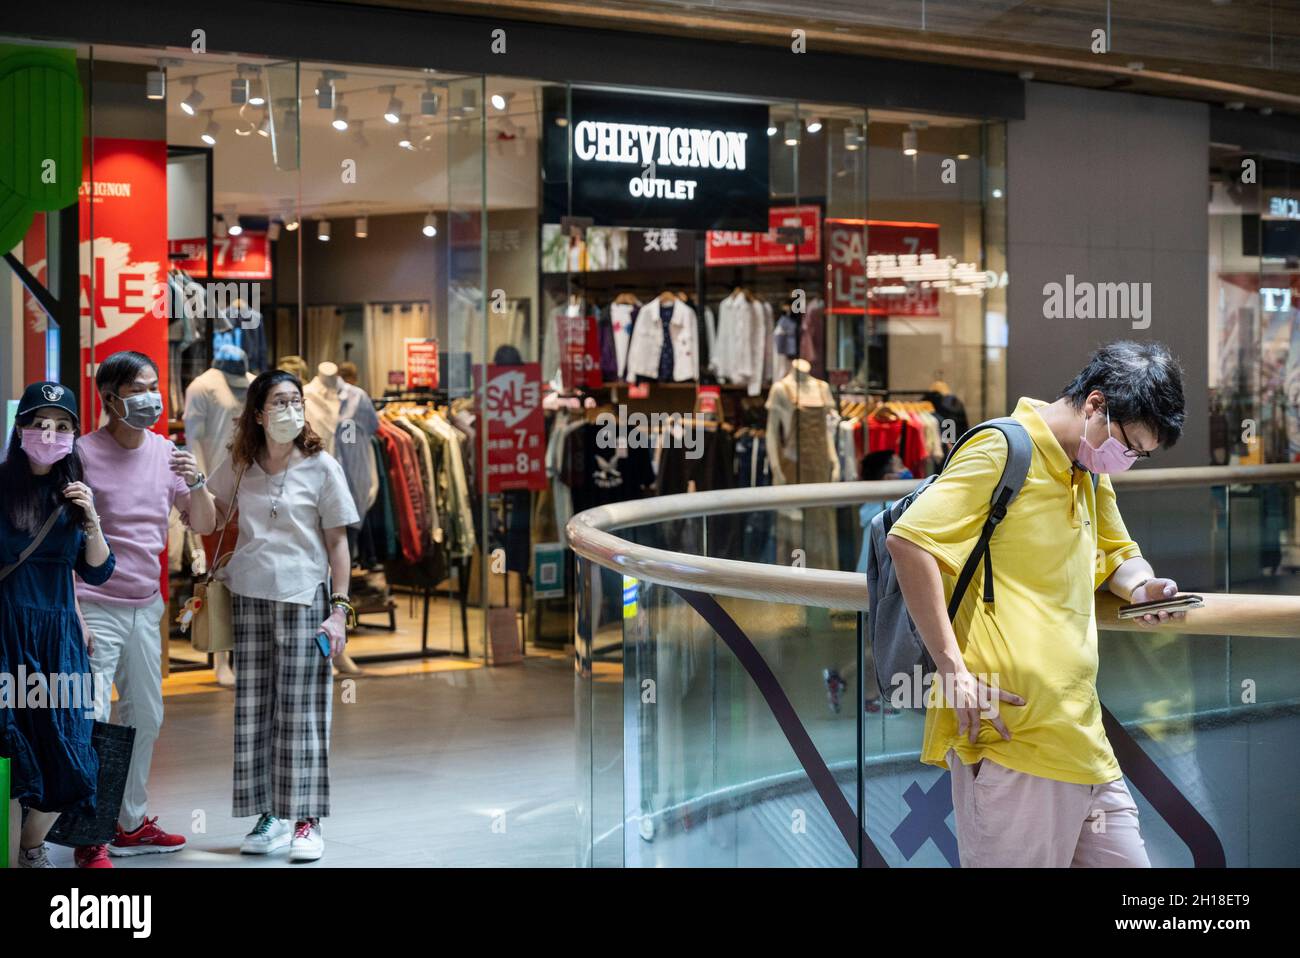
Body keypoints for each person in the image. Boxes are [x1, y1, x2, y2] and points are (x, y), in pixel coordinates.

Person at [886, 341, 1187, 867]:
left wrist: (1144, 587)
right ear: (1096, 405)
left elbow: (1118, 554)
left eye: (1141, 454)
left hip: (1080, 733)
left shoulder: (1089, 472)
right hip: (1010, 736)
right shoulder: (1003, 452)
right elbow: (909, 542)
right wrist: (952, 669)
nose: (1129, 462)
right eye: (1129, 445)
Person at [194, 370, 358, 862]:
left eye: (296, 400)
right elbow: (214, 513)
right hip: (248, 596)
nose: (290, 410)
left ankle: (306, 819)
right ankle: (270, 815)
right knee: (254, 713)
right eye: (279, 402)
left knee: (303, 713)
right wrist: (191, 484)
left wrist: (340, 610)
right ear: (258, 414)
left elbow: (338, 543)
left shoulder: (322, 465)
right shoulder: (242, 462)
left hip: (305, 599)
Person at [75, 351, 217, 860]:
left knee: (145, 718)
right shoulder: (82, 454)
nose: (150, 397)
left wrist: (196, 480)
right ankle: (88, 835)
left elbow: (203, 522)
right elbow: (62, 538)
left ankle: (129, 822)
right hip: (92, 604)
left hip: (145, 605)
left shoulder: (166, 452)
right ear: (110, 399)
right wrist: (72, 608)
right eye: (138, 388)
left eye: (154, 386)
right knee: (93, 717)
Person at [0, 382, 115, 868]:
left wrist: (90, 517)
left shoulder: (75, 496)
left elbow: (97, 570)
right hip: (6, 631)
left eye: (62, 426)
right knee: (10, 747)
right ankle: (13, 856)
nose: (50, 434)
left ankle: (30, 845)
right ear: (20, 427)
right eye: (39, 424)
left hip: (59, 638)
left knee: (71, 752)